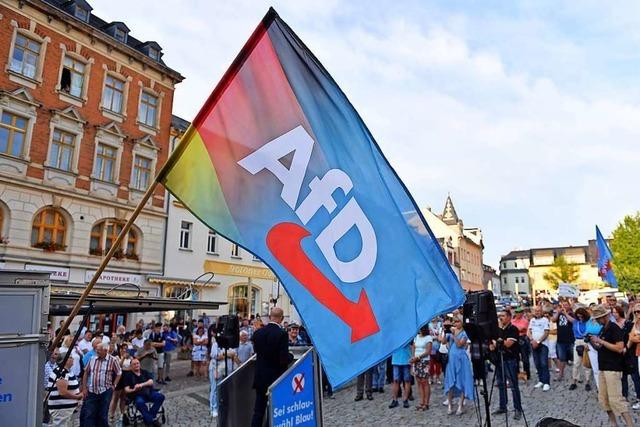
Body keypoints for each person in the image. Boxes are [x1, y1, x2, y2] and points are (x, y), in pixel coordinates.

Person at [589, 304, 634, 427]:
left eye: (598, 318)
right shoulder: (604, 328)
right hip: (603, 367)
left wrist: (601, 341)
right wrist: (596, 343)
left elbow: (619, 348)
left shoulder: (614, 328)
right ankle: (614, 424)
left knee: (616, 399)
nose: (597, 321)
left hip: (613, 368)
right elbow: (604, 347)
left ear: (605, 316)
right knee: (604, 399)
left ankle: (630, 424)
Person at [251, 307, 291, 427]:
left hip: (260, 377)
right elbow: (283, 358)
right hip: (275, 378)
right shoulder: (282, 334)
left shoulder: (258, 333)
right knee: (275, 410)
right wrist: (291, 356)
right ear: (282, 318)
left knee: (258, 411)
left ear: (270, 317)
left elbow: (258, 352)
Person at [490, 309, 523, 421]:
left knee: (513, 385)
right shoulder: (497, 330)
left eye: (503, 316)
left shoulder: (513, 329)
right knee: (500, 384)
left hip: (510, 360)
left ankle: (518, 409)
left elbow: (508, 344)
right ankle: (502, 406)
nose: (501, 318)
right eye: (500, 316)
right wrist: (495, 343)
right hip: (499, 359)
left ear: (509, 317)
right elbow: (493, 344)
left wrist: (498, 341)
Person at [80, 342, 122, 426]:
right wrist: (84, 388)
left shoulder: (113, 360)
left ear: (105, 350)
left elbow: (119, 373)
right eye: (96, 350)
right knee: (89, 414)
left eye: (98, 350)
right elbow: (86, 373)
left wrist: (114, 385)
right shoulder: (92, 359)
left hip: (105, 391)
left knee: (103, 415)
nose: (96, 352)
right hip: (92, 390)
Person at [442, 315, 474, 415]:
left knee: (463, 380)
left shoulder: (464, 333)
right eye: (454, 322)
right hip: (451, 360)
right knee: (451, 380)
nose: (456, 323)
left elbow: (460, 344)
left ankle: (460, 406)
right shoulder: (450, 332)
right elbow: (443, 342)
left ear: (462, 322)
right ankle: (450, 405)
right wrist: (445, 332)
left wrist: (454, 335)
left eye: (458, 321)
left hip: (461, 358)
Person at [123, 358, 165, 427]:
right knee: (140, 403)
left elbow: (151, 382)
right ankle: (151, 420)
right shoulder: (128, 375)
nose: (136, 365)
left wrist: (141, 385)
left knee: (161, 397)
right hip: (137, 395)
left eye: (138, 363)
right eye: (134, 364)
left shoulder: (144, 372)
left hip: (149, 392)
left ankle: (149, 418)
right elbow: (126, 390)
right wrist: (134, 389)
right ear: (131, 366)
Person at [46, 351, 82, 427]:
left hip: (66, 409)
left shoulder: (66, 372)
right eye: (71, 357)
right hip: (61, 409)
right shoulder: (62, 372)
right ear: (65, 360)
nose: (73, 359)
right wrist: (77, 397)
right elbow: (63, 392)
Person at [570, 307, 593, 391]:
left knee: (586, 363)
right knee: (576, 363)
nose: (580, 318)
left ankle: (587, 382)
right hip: (577, 341)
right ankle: (574, 381)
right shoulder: (575, 322)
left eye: (581, 316)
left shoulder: (589, 322)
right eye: (578, 316)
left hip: (585, 342)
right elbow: (569, 318)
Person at [528, 305, 551, 391]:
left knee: (544, 363)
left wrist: (538, 342)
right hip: (533, 344)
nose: (537, 312)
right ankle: (541, 380)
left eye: (539, 311)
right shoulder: (532, 320)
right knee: (537, 363)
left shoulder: (545, 320)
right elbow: (529, 331)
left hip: (543, 344)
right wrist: (532, 340)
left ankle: (546, 382)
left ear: (542, 311)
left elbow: (546, 332)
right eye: (536, 311)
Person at [411, 325, 433, 410]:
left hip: (424, 361)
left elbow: (428, 351)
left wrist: (418, 357)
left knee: (424, 381)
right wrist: (413, 357)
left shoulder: (428, 338)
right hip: (416, 361)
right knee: (419, 381)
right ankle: (421, 401)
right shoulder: (416, 337)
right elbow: (413, 347)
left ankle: (426, 403)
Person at [109, 344, 133, 423]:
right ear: (120, 349)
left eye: (126, 349)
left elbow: (132, 367)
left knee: (123, 397)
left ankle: (123, 413)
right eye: (123, 349)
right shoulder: (116, 357)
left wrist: (125, 368)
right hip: (119, 379)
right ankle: (111, 414)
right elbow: (118, 367)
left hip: (126, 379)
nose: (124, 350)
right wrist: (123, 358)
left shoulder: (130, 358)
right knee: (115, 397)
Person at [553, 300, 575, 381]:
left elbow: (573, 321)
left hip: (571, 340)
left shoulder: (573, 313)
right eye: (563, 305)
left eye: (566, 305)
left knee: (575, 358)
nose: (564, 306)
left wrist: (565, 314)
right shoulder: (559, 314)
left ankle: (576, 375)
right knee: (562, 358)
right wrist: (558, 313)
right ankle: (561, 374)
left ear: (569, 306)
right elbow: (553, 320)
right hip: (561, 340)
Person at [512, 307, 531, 380]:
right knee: (515, 358)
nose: (518, 314)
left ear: (522, 313)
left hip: (522, 339)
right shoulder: (513, 320)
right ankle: (517, 374)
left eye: (519, 312)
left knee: (525, 358)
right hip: (515, 339)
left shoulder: (525, 321)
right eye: (516, 312)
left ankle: (527, 374)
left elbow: (522, 329)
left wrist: (515, 329)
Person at [209, 330, 220, 418]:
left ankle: (219, 407)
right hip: (215, 368)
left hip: (223, 368)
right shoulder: (215, 344)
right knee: (214, 388)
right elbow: (214, 357)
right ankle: (213, 408)